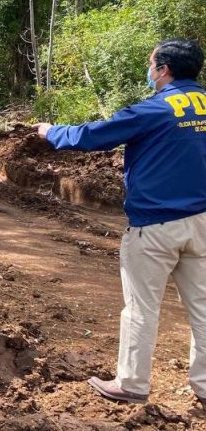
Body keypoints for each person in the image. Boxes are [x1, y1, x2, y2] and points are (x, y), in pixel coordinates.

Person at [32, 38, 206, 407]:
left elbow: (94, 135)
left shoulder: (153, 110)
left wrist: (52, 132)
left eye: (151, 64)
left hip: (154, 226)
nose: (150, 70)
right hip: (202, 222)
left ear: (163, 70)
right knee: (204, 310)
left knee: (142, 307)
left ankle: (132, 384)